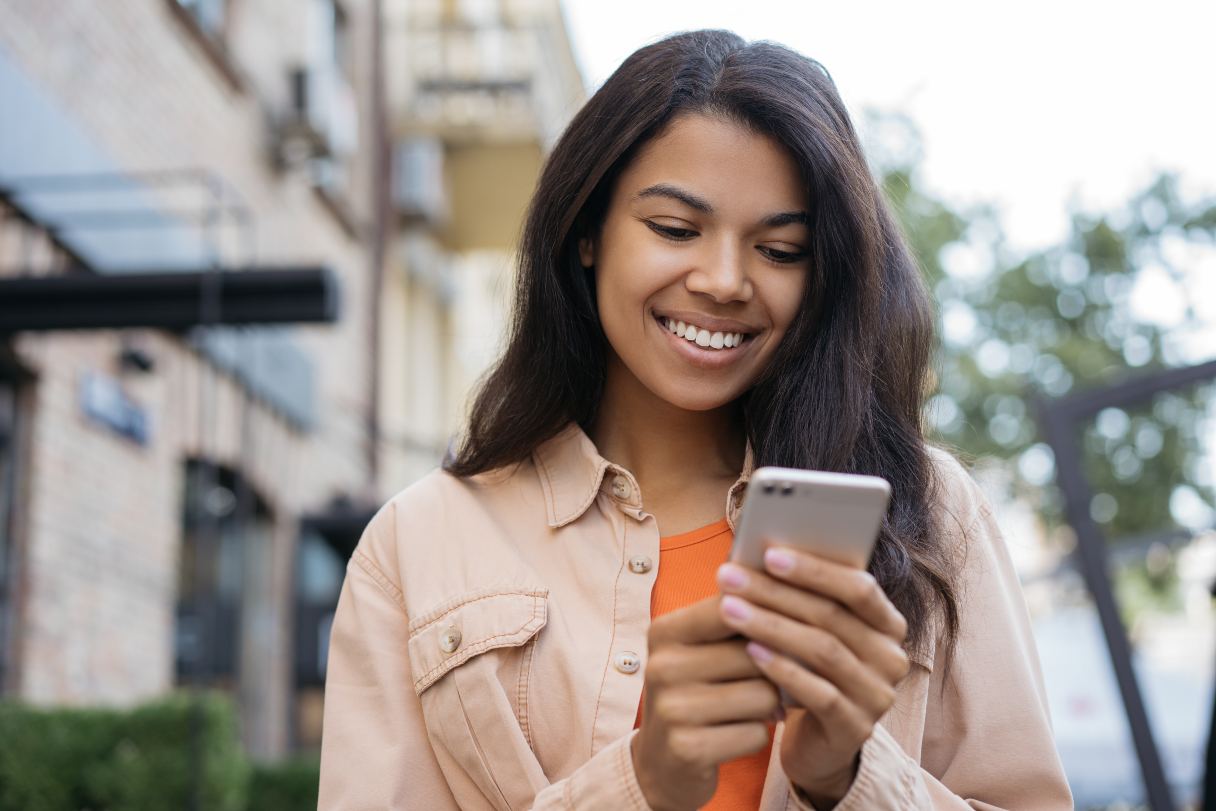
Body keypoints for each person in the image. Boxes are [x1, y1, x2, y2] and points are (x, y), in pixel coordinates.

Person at [318, 29, 1073, 810]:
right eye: (675, 229)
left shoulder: (928, 512)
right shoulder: (420, 544)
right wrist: (643, 782)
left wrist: (846, 776)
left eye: (780, 250)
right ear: (586, 233)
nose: (723, 281)